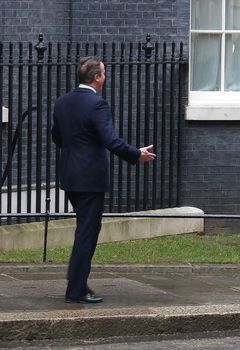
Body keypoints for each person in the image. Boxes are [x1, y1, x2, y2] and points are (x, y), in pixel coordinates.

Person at [52, 56, 156, 303]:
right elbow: (111, 140)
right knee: (87, 233)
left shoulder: (62, 102)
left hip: (69, 176)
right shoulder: (97, 104)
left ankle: (76, 279)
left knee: (83, 230)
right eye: (104, 74)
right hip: (89, 179)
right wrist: (136, 154)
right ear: (96, 78)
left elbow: (57, 137)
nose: (105, 78)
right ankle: (75, 290)